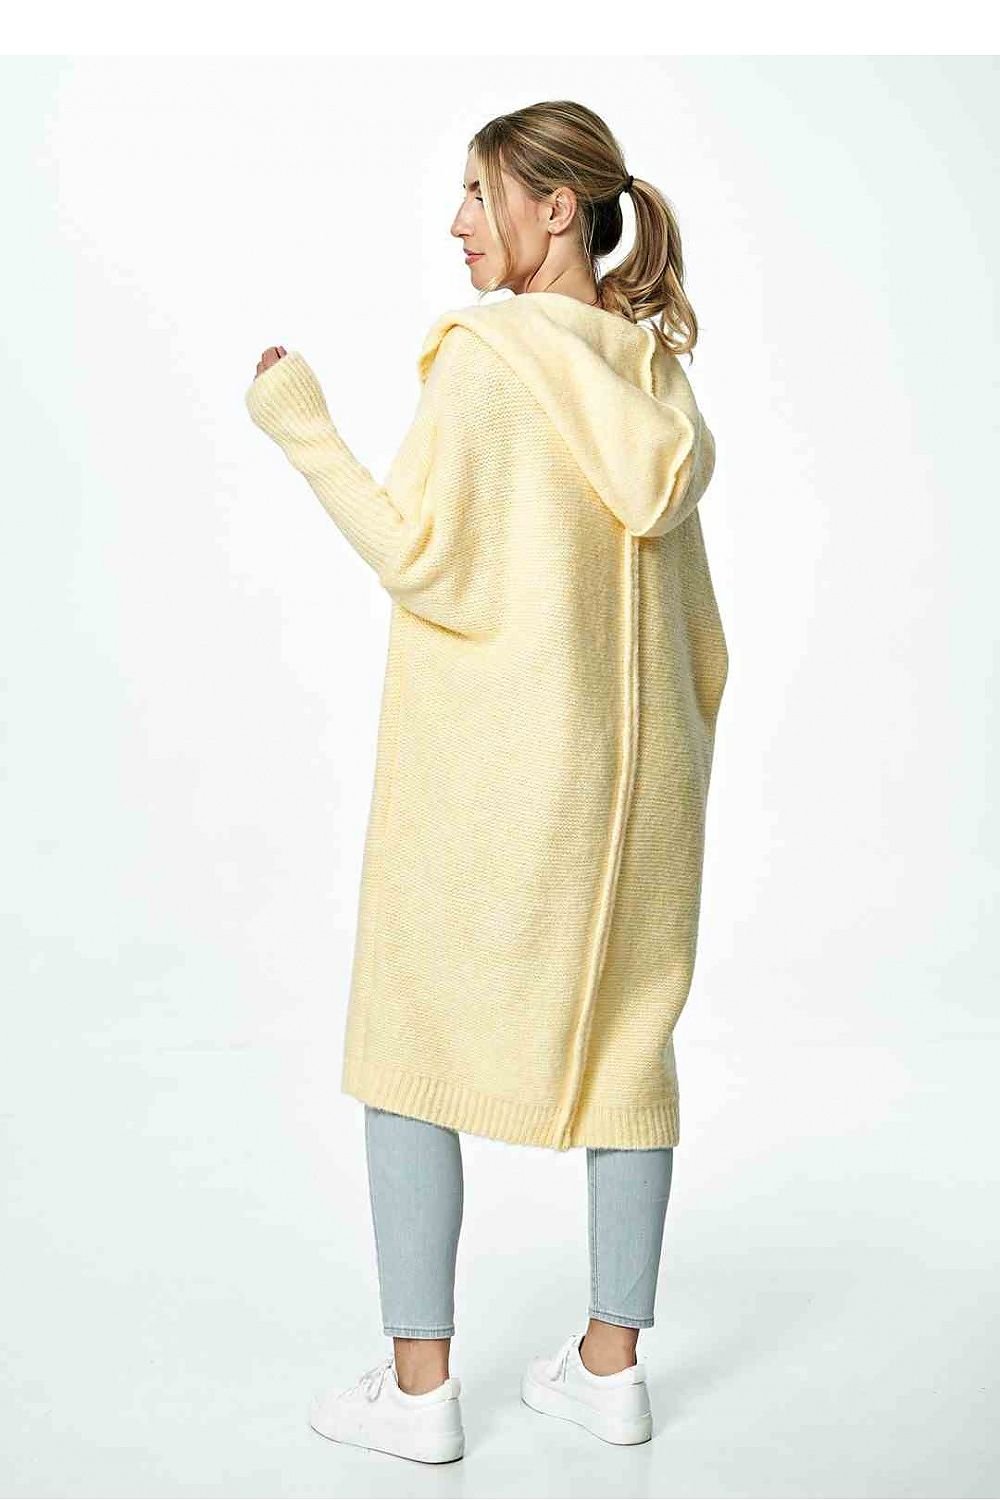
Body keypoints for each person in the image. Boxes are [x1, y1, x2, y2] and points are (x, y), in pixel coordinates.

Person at [244, 99, 728, 1464]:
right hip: (643, 794)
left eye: (479, 193)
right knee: (629, 1051)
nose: (457, 222)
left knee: (408, 1040)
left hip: (493, 777)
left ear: (555, 209)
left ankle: (418, 1396)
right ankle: (610, 1371)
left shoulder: (486, 359)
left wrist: (301, 424)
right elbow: (699, 630)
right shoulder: (653, 378)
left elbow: (422, 557)